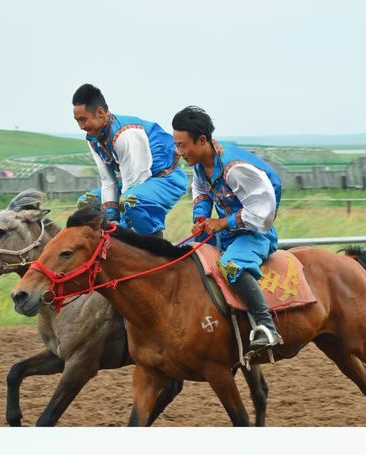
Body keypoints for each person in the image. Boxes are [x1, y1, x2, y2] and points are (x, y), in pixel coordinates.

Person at [172, 105, 283, 352]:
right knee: (186, 256)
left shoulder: (236, 169)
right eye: (176, 145)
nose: (178, 152)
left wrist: (221, 223)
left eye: (182, 145)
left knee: (232, 264)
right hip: (228, 233)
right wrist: (201, 218)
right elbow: (201, 191)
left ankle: (266, 326)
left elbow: (262, 214)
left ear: (202, 141)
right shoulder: (201, 165)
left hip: (256, 233)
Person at [72, 84, 187, 236]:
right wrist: (111, 217)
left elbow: (135, 183)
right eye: (77, 121)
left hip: (165, 180)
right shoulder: (93, 138)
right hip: (136, 184)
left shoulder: (126, 135)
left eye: (83, 120)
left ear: (100, 112)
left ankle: (155, 246)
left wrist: (119, 228)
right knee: (86, 203)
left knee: (130, 201)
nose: (81, 126)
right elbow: (108, 182)